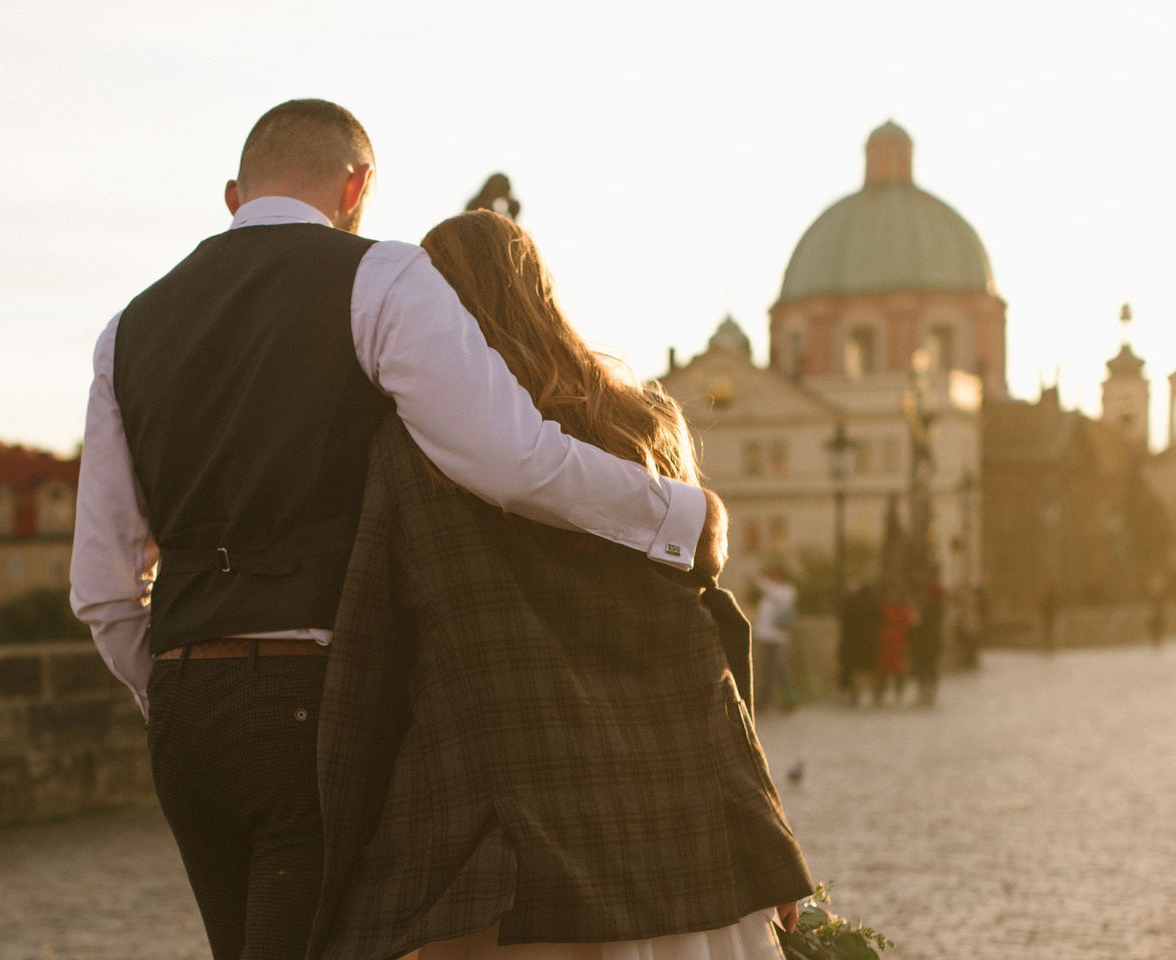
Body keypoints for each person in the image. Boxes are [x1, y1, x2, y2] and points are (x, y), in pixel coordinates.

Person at [69, 101, 729, 960]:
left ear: (234, 195)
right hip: (314, 701)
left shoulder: (127, 330)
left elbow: (102, 588)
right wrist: (679, 514)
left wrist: (172, 691)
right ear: (359, 185)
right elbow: (510, 460)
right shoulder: (380, 277)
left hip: (186, 717)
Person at [312, 208, 808, 960]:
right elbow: (700, 657)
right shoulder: (641, 429)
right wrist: (764, 829)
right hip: (676, 829)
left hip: (508, 838)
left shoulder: (404, 453)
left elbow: (371, 655)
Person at [751, 568, 799, 712]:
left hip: (776, 638)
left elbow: (773, 593)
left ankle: (769, 702)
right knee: (776, 669)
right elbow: (763, 618)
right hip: (766, 637)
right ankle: (788, 698)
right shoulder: (769, 596)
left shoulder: (786, 591)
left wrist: (758, 580)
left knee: (772, 670)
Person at [837, 581, 882, 707]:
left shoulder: (854, 604)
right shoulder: (874, 604)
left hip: (855, 643)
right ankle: (876, 694)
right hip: (871, 643)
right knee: (872, 669)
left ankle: (853, 694)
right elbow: (882, 621)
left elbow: (845, 621)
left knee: (853, 669)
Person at [907, 580, 945, 707]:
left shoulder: (928, 607)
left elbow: (922, 625)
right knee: (931, 667)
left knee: (923, 667)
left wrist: (914, 629)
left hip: (924, 643)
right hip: (933, 642)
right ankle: (930, 691)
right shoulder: (940, 608)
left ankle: (923, 691)